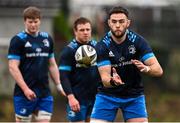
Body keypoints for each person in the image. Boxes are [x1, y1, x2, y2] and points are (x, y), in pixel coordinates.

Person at [90, 6, 163, 122]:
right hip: (107, 96)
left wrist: (146, 68)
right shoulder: (102, 45)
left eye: (121, 21)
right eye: (114, 21)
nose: (117, 25)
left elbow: (158, 70)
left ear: (128, 23)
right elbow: (105, 79)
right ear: (109, 23)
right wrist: (113, 81)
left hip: (133, 96)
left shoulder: (139, 41)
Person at [8, 6, 65, 122]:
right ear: (25, 21)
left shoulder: (47, 39)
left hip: (44, 94)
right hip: (23, 94)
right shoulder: (18, 40)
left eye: (35, 21)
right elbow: (13, 67)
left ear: (40, 21)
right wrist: (25, 89)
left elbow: (52, 65)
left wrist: (59, 86)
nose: (33, 25)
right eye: (30, 22)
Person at [59, 17, 100, 122]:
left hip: (96, 99)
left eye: (88, 29)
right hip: (77, 99)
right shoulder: (68, 51)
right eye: (82, 30)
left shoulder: (97, 47)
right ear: (75, 31)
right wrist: (71, 98)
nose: (85, 32)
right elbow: (63, 77)